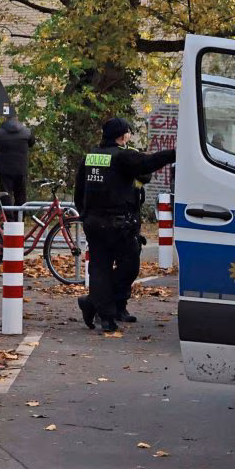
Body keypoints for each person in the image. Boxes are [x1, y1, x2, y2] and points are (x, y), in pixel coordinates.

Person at [74, 117, 175, 335]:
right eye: (128, 132)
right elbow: (148, 163)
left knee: (106, 268)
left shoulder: (91, 156)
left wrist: (84, 214)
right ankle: (106, 315)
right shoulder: (122, 156)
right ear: (123, 135)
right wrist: (175, 153)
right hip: (117, 224)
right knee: (124, 266)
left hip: (96, 222)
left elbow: (79, 189)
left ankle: (102, 305)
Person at [0, 106, 34, 208]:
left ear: (5, 118)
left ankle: (8, 220)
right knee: (21, 196)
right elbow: (32, 142)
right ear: (17, 117)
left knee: (5, 196)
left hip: (5, 170)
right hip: (21, 169)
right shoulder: (27, 132)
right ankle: (19, 219)